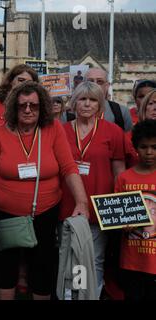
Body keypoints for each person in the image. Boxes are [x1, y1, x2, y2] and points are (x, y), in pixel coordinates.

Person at [0, 81, 89, 300]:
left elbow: (69, 167)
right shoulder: (0, 133)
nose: (27, 110)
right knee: (6, 263)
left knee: (42, 264)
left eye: (33, 105)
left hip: (45, 211)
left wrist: (81, 202)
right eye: (22, 105)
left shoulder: (53, 130)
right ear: (14, 107)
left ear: (42, 107)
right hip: (6, 213)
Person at [59, 81, 126, 299]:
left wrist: (119, 207)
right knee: (69, 255)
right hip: (67, 203)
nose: (87, 104)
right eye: (82, 99)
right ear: (74, 102)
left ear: (100, 104)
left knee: (94, 258)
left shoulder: (113, 131)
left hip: (100, 205)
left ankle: (90, 296)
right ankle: (70, 295)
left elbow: (119, 172)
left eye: (93, 99)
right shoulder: (61, 131)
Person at [114, 119, 156, 300]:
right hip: (131, 260)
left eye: (155, 147)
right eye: (143, 147)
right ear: (135, 148)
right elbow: (114, 217)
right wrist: (122, 225)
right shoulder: (124, 178)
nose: (149, 152)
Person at [0, 64, 39, 147]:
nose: (25, 84)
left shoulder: (39, 107)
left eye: (29, 82)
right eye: (21, 80)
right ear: (10, 81)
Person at [85, 68, 133, 132]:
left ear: (107, 86)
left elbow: (128, 139)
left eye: (99, 81)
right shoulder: (70, 114)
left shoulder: (122, 112)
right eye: (90, 81)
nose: (95, 85)